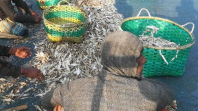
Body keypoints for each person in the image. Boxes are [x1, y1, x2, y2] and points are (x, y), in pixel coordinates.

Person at [41, 31, 175, 111]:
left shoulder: (73, 88)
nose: (144, 60)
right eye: (139, 55)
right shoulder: (148, 92)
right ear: (127, 60)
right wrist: (139, 79)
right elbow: (168, 94)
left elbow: (45, 101)